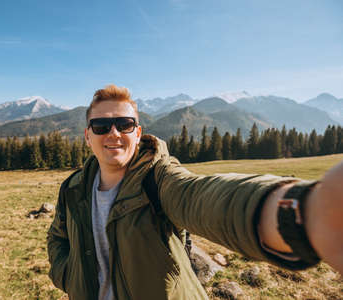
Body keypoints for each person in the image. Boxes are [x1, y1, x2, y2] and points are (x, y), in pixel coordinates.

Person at [47, 84, 343, 300]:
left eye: (124, 124)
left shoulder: (157, 177)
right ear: (87, 136)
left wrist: (306, 212)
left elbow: (199, 197)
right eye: (101, 126)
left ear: (138, 133)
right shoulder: (73, 189)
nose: (114, 133)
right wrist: (69, 277)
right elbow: (57, 238)